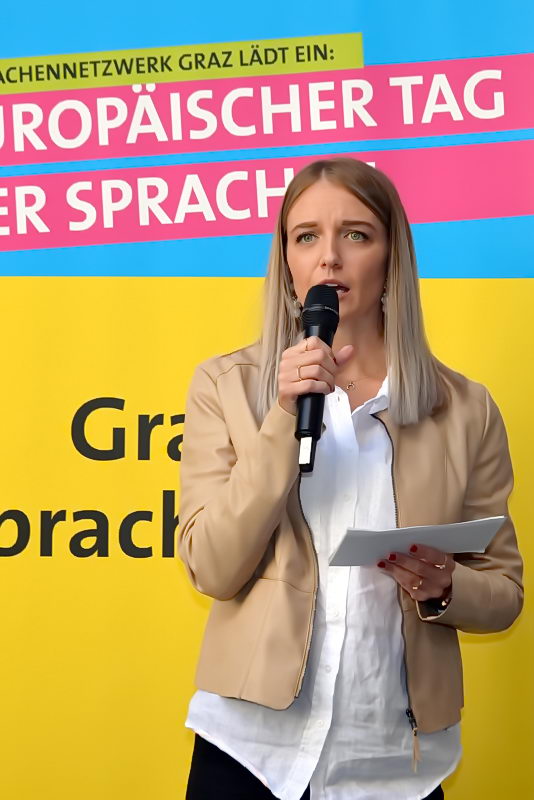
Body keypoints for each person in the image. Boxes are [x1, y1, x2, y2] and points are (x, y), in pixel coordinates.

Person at [178, 157, 523, 800]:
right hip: (251, 753)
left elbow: (504, 592)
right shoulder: (226, 387)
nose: (329, 257)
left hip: (395, 763)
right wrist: (285, 417)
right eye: (306, 236)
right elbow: (212, 568)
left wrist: (447, 588)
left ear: (391, 258)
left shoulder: (466, 410)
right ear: (287, 260)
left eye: (356, 234)